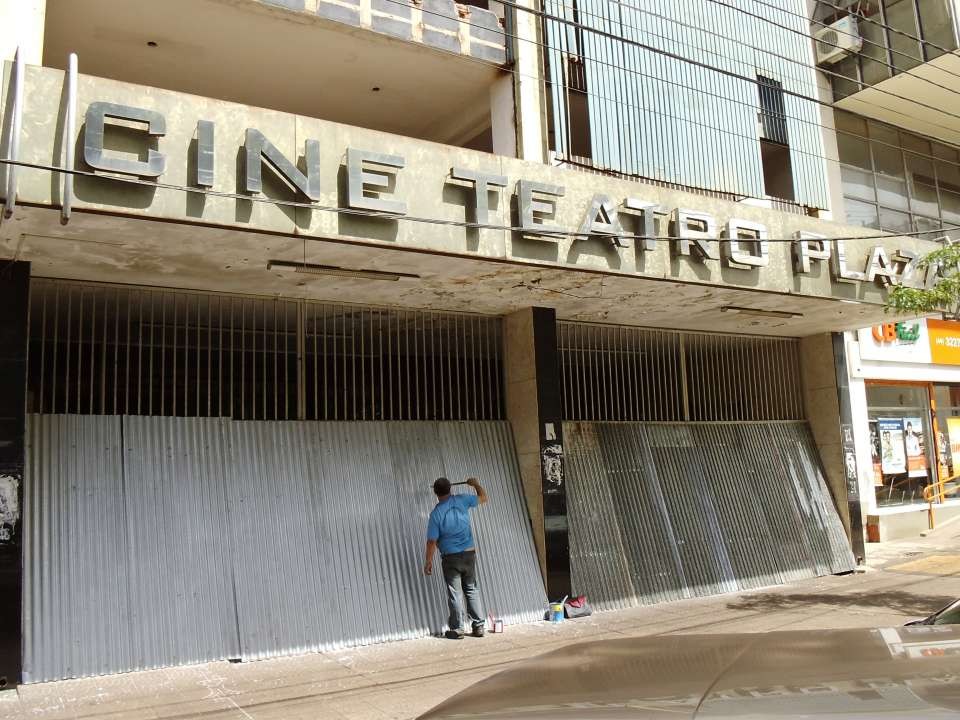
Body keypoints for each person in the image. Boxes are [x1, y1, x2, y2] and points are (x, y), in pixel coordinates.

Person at [424, 476, 488, 640]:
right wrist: (476, 484)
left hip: (450, 557)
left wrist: (428, 561)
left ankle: (458, 628)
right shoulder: (463, 500)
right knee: (471, 589)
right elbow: (483, 497)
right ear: (450, 489)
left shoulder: (436, 514)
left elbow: (432, 541)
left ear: (435, 493)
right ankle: (478, 626)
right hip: (469, 554)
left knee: (455, 593)